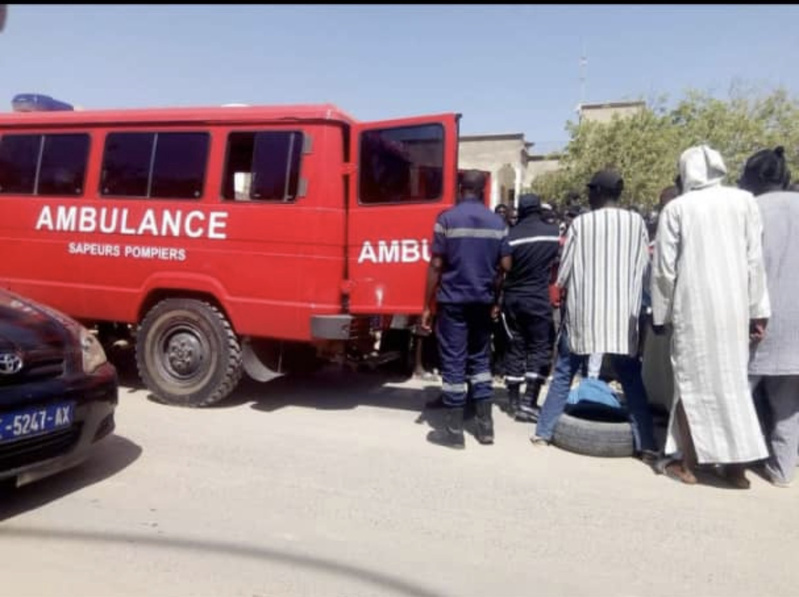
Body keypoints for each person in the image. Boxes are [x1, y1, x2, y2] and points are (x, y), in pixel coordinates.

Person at [651, 145, 770, 489]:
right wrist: (757, 311)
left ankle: (687, 465)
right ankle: (735, 470)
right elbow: (754, 261)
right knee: (732, 383)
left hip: (693, 308)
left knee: (691, 384)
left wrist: (661, 312)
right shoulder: (744, 202)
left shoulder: (678, 208)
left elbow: (664, 271)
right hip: (734, 308)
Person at [532, 170, 657, 460]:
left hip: (584, 315)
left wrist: (562, 285)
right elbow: (644, 268)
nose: (588, 195)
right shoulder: (636, 222)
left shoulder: (582, 223)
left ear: (599, 191)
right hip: (622, 317)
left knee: (564, 372)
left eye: (590, 190)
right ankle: (647, 444)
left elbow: (563, 273)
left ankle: (544, 433)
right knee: (631, 379)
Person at [421, 170, 512, 449]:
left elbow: (436, 265)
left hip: (453, 302)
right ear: (483, 190)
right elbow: (505, 267)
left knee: (454, 361)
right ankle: (485, 428)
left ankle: (453, 430)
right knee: (480, 361)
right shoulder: (498, 222)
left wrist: (427, 305)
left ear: (461, 188)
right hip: (482, 302)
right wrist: (495, 300)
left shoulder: (446, 219)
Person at [740, 146, 799, 488]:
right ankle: (780, 470)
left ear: (757, 177)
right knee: (789, 406)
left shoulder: (751, 210)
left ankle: (728, 462)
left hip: (759, 323)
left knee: (737, 394)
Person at [502, 194, 561, 422]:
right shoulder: (553, 234)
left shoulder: (511, 236)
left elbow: (504, 267)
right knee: (539, 347)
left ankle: (514, 402)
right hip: (537, 299)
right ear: (538, 209)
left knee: (515, 346)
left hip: (513, 299)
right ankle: (529, 402)